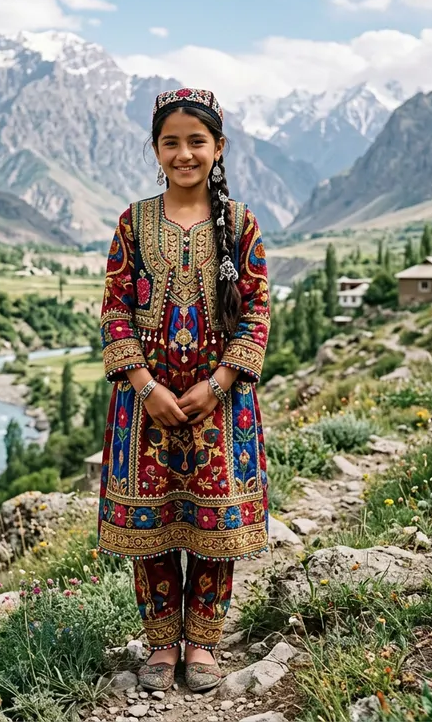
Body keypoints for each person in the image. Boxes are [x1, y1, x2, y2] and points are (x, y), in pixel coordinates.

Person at [98, 87, 270, 692]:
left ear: (218, 148)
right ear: (155, 150)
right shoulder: (134, 222)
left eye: (197, 141)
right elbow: (115, 310)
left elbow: (256, 311)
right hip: (146, 407)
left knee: (213, 525)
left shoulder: (241, 223)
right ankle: (161, 647)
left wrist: (219, 383)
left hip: (220, 407)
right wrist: (144, 387)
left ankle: (202, 645)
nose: (184, 153)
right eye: (171, 142)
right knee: (152, 528)